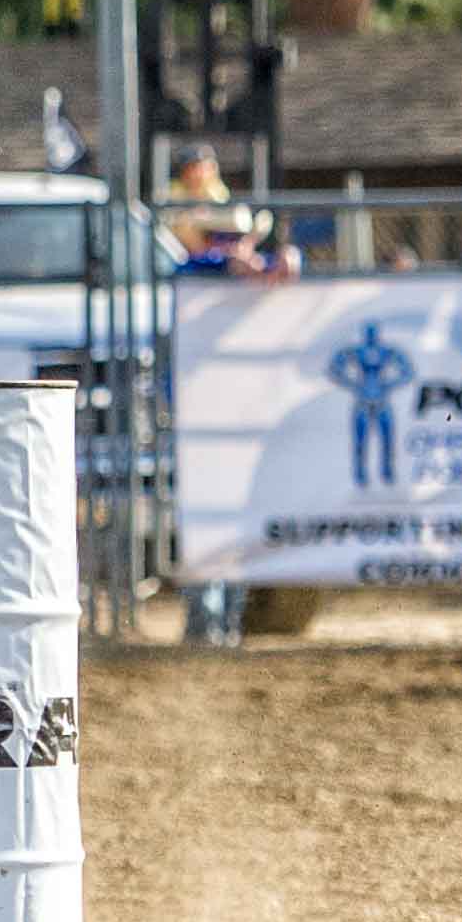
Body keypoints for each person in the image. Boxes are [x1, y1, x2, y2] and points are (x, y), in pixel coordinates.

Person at [176, 201, 297, 646]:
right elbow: (186, 268)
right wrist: (226, 265)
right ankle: (207, 620)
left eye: (234, 238)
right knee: (209, 518)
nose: (227, 246)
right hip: (203, 420)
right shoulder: (193, 273)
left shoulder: (251, 275)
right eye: (218, 238)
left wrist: (283, 264)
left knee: (238, 523)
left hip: (244, 417)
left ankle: (227, 620)